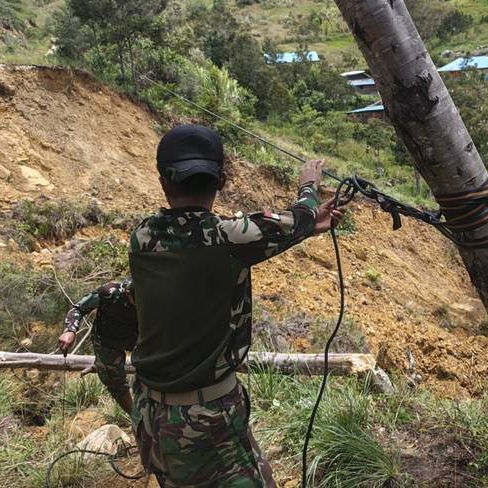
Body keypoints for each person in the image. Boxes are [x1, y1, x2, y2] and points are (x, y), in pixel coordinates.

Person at [128, 124, 342, 488]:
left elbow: (289, 226)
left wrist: (306, 224)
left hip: (149, 412)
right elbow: (298, 217)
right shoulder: (229, 238)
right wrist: (308, 184)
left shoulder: (142, 237)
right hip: (205, 418)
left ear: (164, 181)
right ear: (221, 181)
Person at [57, 278, 136, 414]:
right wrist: (70, 330)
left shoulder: (155, 296)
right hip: (106, 339)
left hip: (139, 337)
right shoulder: (110, 292)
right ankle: (136, 419)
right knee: (114, 381)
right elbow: (78, 309)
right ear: (127, 293)